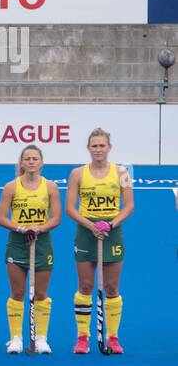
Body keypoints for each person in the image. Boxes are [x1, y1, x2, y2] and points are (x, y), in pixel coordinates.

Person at [65, 128, 133, 354]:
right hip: (86, 231)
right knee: (85, 286)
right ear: (88, 148)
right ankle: (82, 337)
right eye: (94, 145)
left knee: (112, 287)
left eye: (102, 145)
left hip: (112, 231)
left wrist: (111, 224)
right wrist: (91, 225)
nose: (98, 149)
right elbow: (69, 208)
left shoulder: (121, 172)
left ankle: (113, 338)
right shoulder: (77, 174)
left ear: (109, 147)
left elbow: (129, 206)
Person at [0, 144, 61, 354]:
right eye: (27, 159)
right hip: (17, 243)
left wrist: (39, 228)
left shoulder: (50, 187)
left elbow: (57, 218)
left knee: (41, 293)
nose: (31, 162)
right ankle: (15, 338)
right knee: (17, 292)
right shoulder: (11, 187)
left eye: (35, 158)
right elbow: (1, 217)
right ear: (21, 163)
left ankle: (41, 338)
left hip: (41, 244)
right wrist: (21, 228)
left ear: (41, 162)